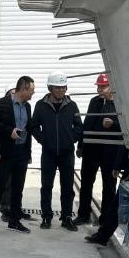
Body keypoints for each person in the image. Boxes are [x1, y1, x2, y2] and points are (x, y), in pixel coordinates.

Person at [29, 71, 83, 231]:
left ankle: (67, 217)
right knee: (46, 186)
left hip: (67, 153)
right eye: (58, 87)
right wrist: (44, 140)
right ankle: (46, 216)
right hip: (49, 153)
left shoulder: (72, 105)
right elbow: (33, 126)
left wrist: (71, 139)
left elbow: (79, 126)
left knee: (67, 187)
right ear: (50, 88)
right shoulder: (41, 105)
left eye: (63, 87)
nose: (61, 90)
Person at [0, 76, 35, 234]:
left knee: (17, 189)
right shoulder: (2, 103)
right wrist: (8, 131)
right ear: (23, 89)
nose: (33, 93)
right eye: (31, 90)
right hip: (5, 154)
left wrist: (28, 153)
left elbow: (29, 129)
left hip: (21, 153)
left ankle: (14, 221)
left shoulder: (27, 107)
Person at [75, 73, 120, 226]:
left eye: (103, 86)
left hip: (110, 151)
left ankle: (105, 219)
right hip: (91, 149)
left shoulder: (120, 103)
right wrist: (80, 145)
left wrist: (113, 124)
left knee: (109, 185)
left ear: (111, 86)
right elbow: (87, 123)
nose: (99, 89)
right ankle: (83, 215)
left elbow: (126, 128)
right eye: (98, 86)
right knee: (86, 182)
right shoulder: (94, 101)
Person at [86, 145, 129, 245]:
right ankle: (103, 235)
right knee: (116, 205)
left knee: (116, 205)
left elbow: (125, 144)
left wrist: (117, 166)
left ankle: (103, 236)